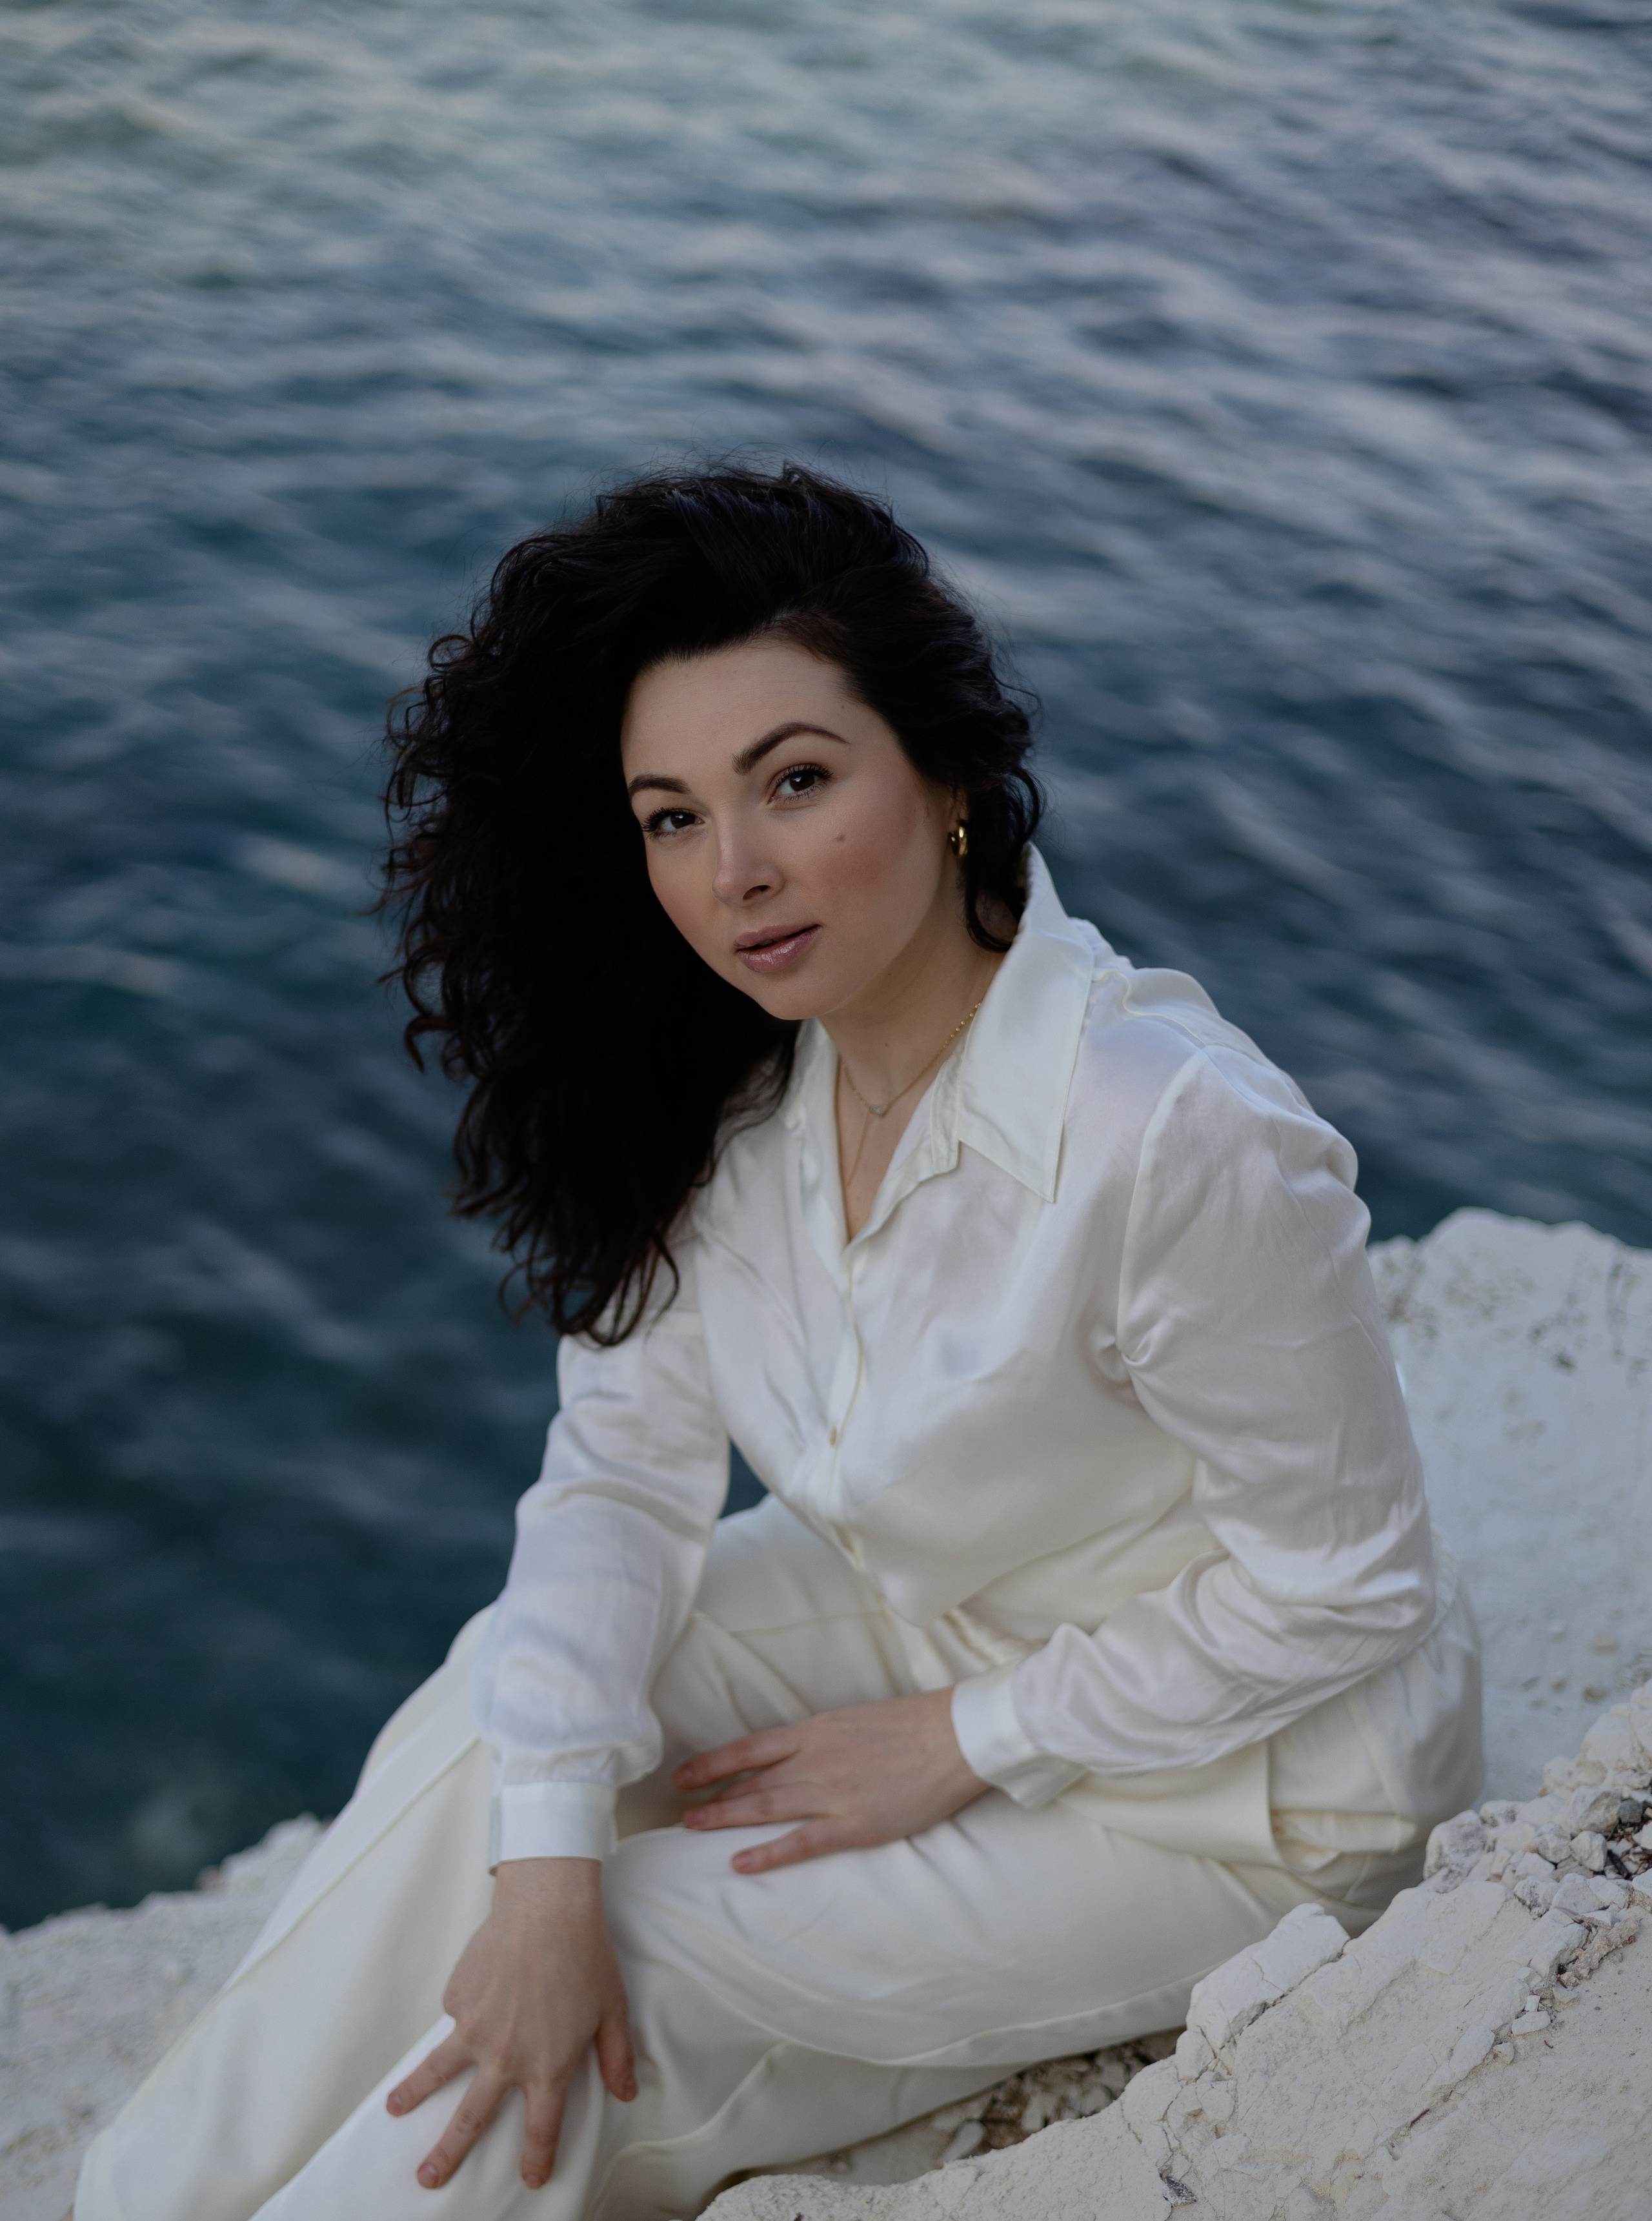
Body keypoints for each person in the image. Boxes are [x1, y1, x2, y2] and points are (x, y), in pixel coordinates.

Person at [76, 463, 1480, 2221]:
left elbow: (1355, 1586)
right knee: (511, 1741)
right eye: (672, 817)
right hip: (940, 1602)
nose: (733, 873)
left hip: (1245, 1794)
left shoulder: (1172, 1132)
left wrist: (962, 1736)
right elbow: (617, 1480)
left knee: (636, 1957)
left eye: (795, 782)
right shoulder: (734, 1089)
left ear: (949, 777)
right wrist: (541, 1868)